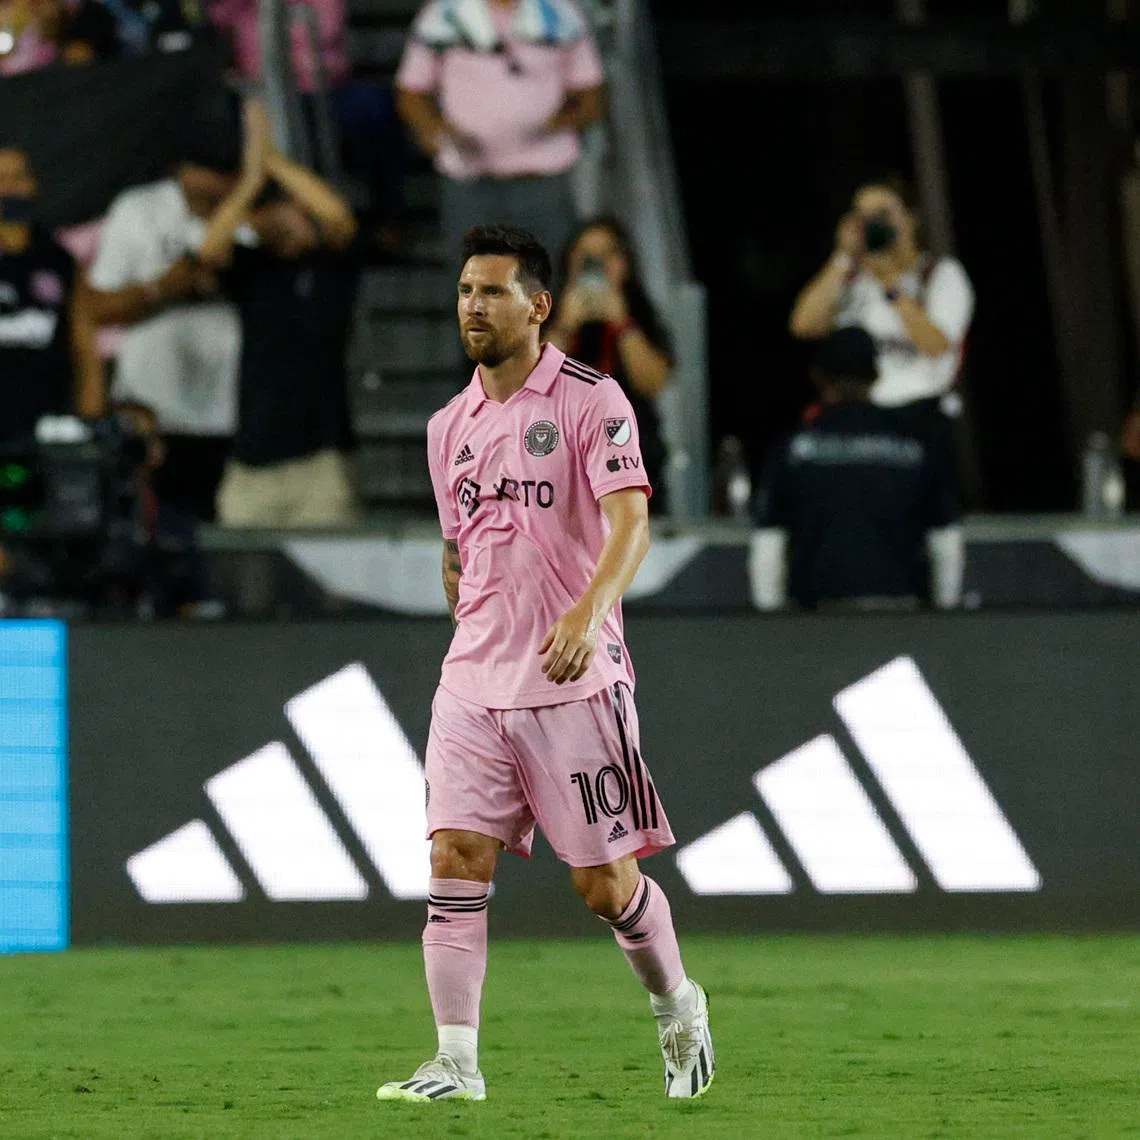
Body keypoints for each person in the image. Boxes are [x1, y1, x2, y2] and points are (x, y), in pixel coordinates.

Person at [375, 225, 714, 1105]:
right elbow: (457, 550)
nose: (473, 308)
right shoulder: (448, 425)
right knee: (454, 858)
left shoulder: (592, 401)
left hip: (573, 677)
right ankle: (456, 1063)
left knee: (602, 885)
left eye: (491, 292)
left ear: (539, 304)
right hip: (472, 684)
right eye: (463, 292)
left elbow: (633, 522)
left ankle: (677, 1005)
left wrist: (585, 612)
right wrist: (471, 602)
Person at [196, 100, 360, 529]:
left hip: (322, 460)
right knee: (242, 578)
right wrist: (251, 182)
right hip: (253, 458)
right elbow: (210, 250)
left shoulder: (330, 268)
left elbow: (337, 216)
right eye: (281, 206)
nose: (292, 214)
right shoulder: (253, 271)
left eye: (298, 207)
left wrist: (273, 161)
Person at [749, 327, 963, 612]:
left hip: (814, 623)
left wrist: (769, 620)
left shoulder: (792, 451)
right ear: (876, 376)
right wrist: (945, 612)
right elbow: (946, 541)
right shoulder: (916, 447)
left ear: (817, 376)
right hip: (902, 619)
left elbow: (768, 545)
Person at [87, 144, 241, 522]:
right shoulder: (141, 210)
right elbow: (98, 308)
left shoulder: (253, 211)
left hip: (233, 414)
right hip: (155, 414)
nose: (216, 182)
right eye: (207, 169)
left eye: (228, 171)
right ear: (182, 169)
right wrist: (162, 289)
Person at [395, 0, 605, 268]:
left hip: (544, 179)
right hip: (468, 180)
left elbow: (592, 93)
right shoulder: (442, 14)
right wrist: (435, 134)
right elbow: (411, 91)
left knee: (548, 281)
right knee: (474, 289)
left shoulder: (561, 13)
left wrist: (553, 123)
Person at [788, 176, 975, 472]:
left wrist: (891, 283)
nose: (873, 224)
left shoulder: (939, 274)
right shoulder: (855, 279)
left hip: (918, 416)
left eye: (883, 214)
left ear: (911, 218)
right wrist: (842, 258)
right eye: (862, 216)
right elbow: (803, 325)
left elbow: (937, 345)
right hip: (858, 418)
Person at [547, 217, 673, 514]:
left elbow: (653, 383)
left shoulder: (640, 319)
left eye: (608, 254)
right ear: (569, 264)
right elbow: (528, 385)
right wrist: (564, 328)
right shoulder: (546, 316)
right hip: (562, 479)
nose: (597, 264)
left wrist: (623, 324)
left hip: (633, 473)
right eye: (587, 256)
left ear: (626, 265)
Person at [0, 145, 104, 445]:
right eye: (1, 179)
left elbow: (86, 351)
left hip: (46, 430)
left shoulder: (59, 261)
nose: (8, 188)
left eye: (18, 178)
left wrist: (89, 427)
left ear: (33, 186)